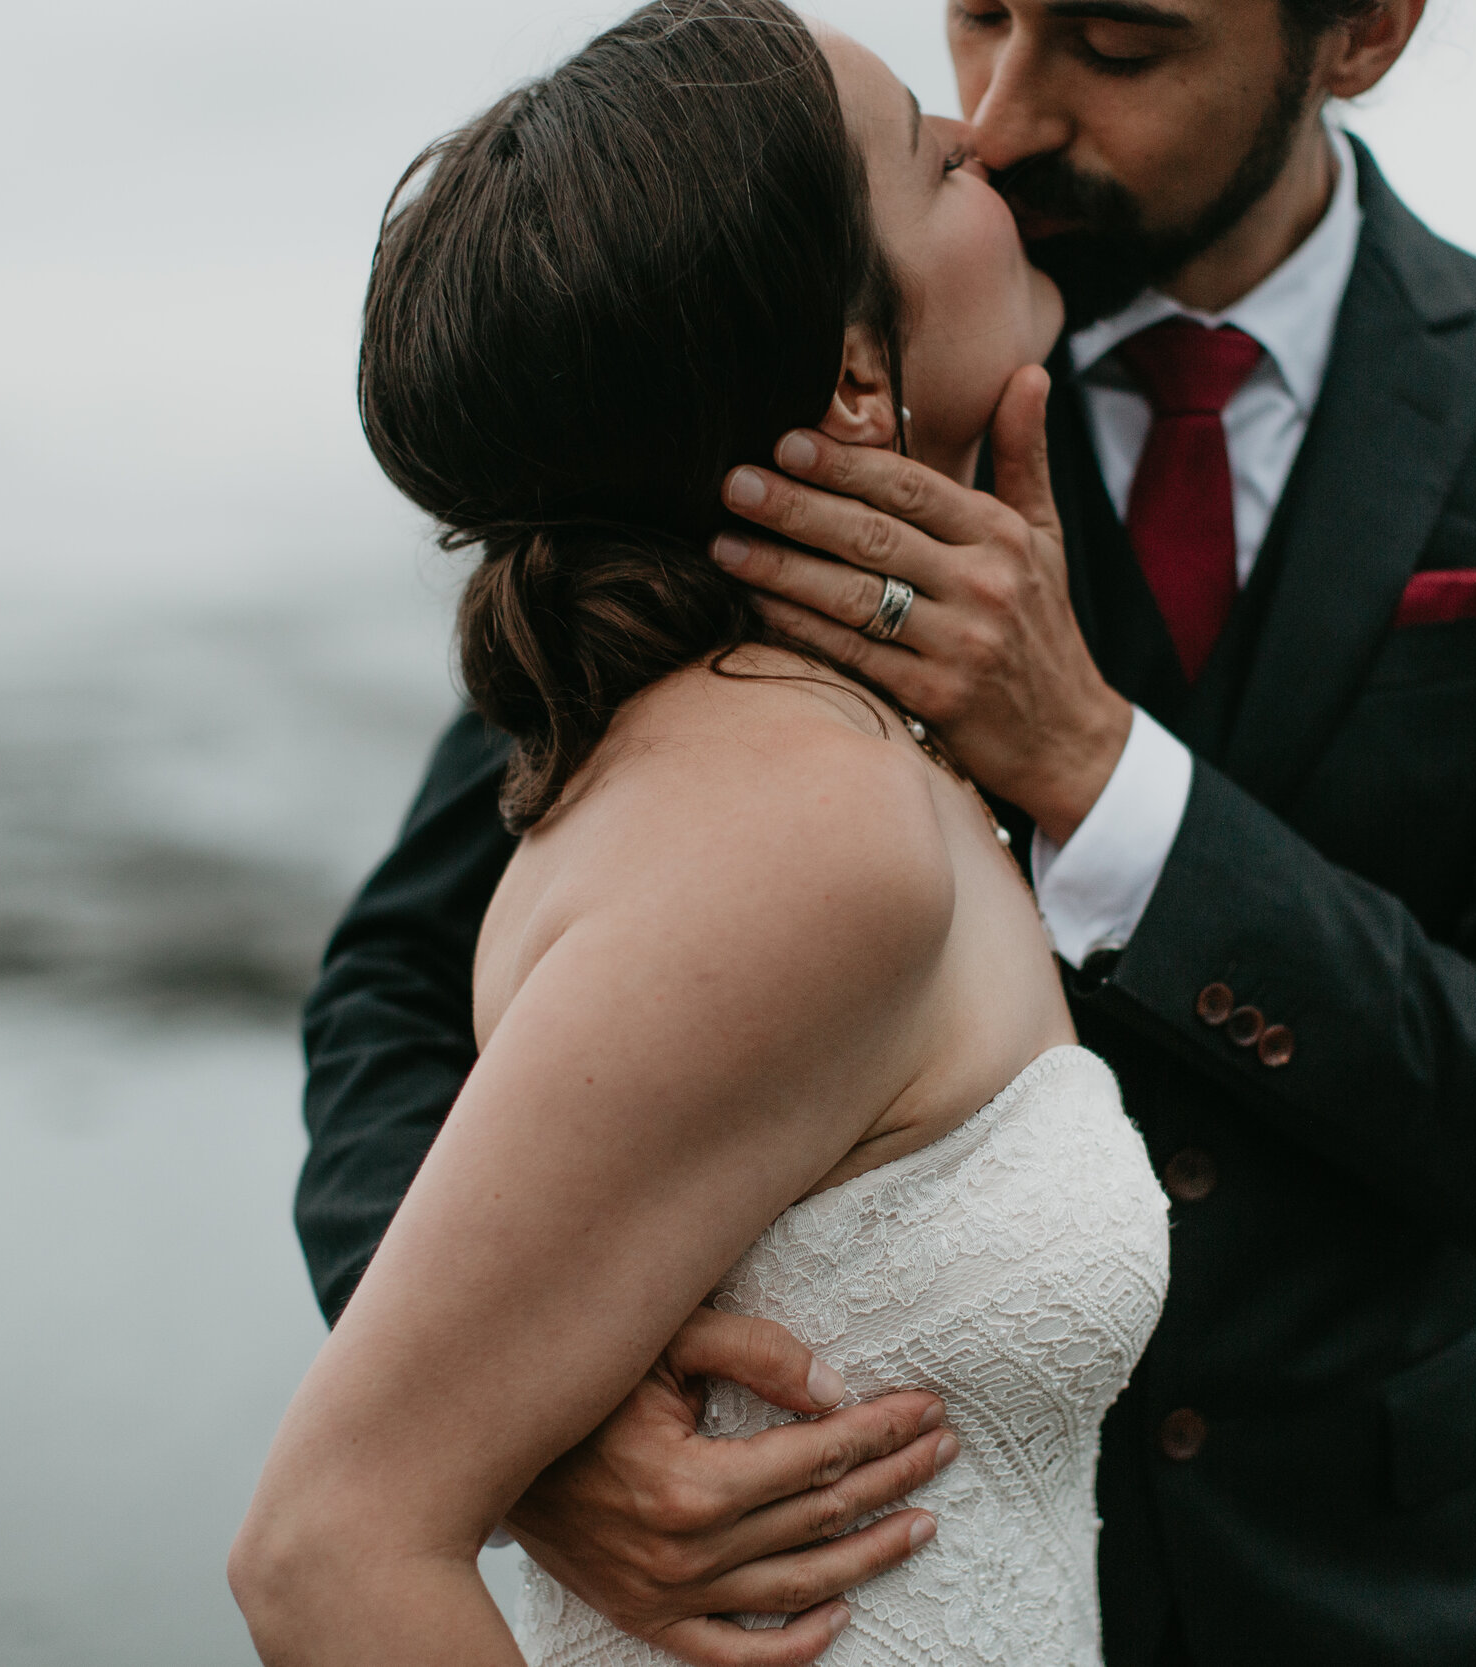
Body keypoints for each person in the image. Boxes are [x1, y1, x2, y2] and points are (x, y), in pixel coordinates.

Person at [296, 0, 1476, 1662]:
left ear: (1359, 35)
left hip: (1374, 1585)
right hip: (830, 1593)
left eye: (1118, 47)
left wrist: (1103, 772)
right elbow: (403, 987)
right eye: (979, 14)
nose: (1003, 110)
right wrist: (532, 1417)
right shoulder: (792, 343)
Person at [230, 5, 1171, 1664]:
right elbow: (326, 1552)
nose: (990, 145)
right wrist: (514, 1434)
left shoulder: (830, 752)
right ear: (859, 373)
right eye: (934, 160)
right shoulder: (798, 819)